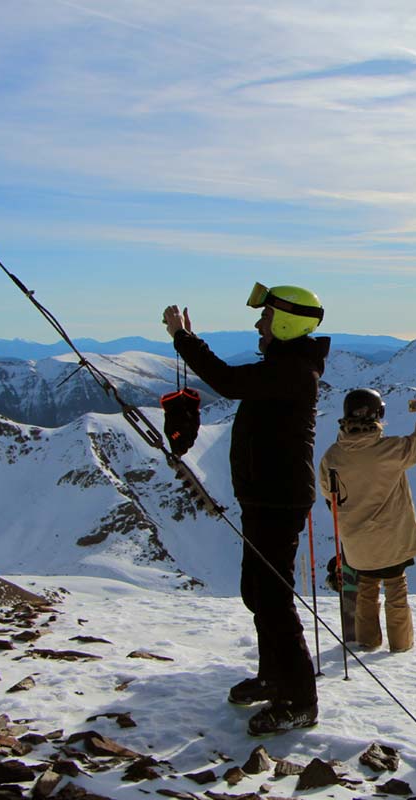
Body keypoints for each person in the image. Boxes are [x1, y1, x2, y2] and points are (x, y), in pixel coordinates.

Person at [162, 282, 328, 735]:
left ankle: (299, 699)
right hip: (265, 495)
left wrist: (183, 339)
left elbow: (228, 382)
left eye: (267, 317)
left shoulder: (292, 371)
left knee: (272, 598)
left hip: (277, 497)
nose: (259, 324)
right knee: (258, 593)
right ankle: (274, 677)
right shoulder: (284, 365)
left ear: (287, 323)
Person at [319, 389, 416, 652]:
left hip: (356, 544)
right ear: (377, 415)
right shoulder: (391, 449)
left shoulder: (332, 456)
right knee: (396, 588)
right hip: (392, 538)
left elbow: (329, 493)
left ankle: (367, 641)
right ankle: (401, 646)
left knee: (366, 589)